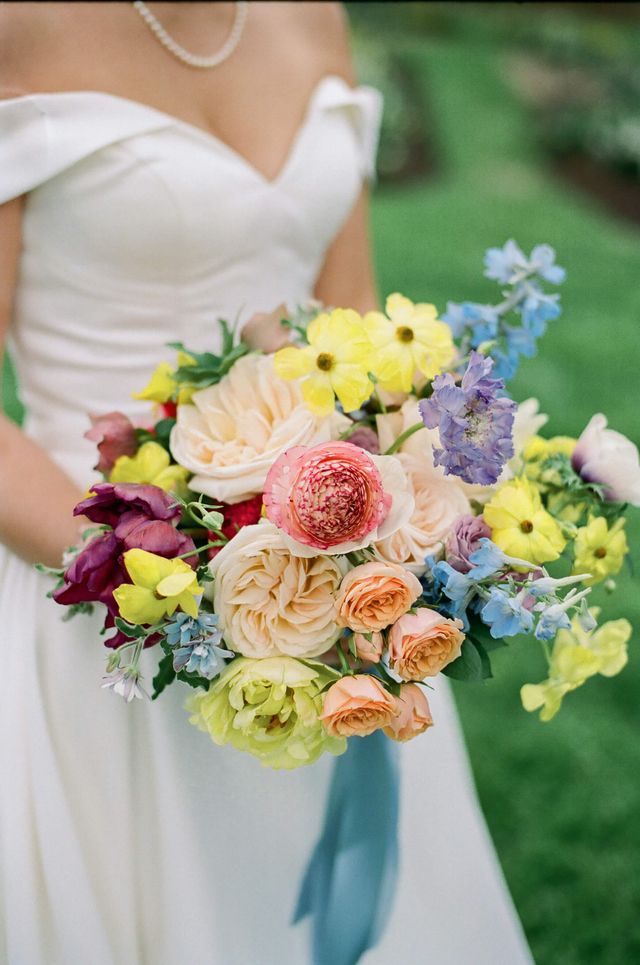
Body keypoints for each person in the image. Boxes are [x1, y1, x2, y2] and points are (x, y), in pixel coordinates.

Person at [0, 3, 533, 963]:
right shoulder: (20, 28)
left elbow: (353, 319)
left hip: (338, 587)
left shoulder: (312, 15)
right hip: (109, 600)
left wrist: (403, 516)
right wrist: (180, 584)